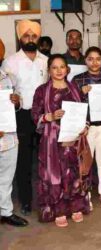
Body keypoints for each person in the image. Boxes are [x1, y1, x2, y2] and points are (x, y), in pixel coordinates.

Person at [31, 54, 90, 227]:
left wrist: (85, 125)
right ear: (49, 70)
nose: (58, 71)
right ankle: (58, 209)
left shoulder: (74, 88)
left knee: (74, 172)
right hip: (52, 140)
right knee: (55, 174)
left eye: (62, 67)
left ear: (67, 69)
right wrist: (49, 116)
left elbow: (84, 111)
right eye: (54, 67)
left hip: (73, 139)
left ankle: (76, 206)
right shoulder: (42, 90)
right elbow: (35, 114)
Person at [1, 19, 48, 215]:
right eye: (26, 35)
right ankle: (26, 200)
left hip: (44, 116)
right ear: (20, 38)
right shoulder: (10, 62)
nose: (30, 39)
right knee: (24, 161)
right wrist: (14, 100)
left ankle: (47, 197)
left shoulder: (46, 61)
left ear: (38, 38)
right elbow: (5, 91)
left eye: (34, 36)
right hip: (21, 116)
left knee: (46, 159)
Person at [72, 47, 101, 208]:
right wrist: (80, 92)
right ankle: (86, 195)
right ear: (85, 60)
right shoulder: (77, 80)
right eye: (90, 58)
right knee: (86, 163)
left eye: (98, 58)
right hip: (87, 127)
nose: (94, 62)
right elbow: (71, 103)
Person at [0, 59, 28, 227]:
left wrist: (17, 101)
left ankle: (5, 212)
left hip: (9, 136)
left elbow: (19, 103)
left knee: (6, 178)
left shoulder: (9, 78)